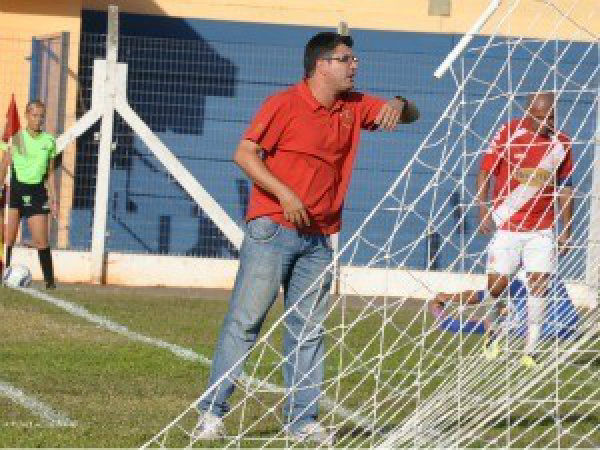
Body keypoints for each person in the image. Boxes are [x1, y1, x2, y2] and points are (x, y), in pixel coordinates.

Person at [193, 31, 419, 444]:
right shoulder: (283, 104)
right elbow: (244, 153)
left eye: (354, 59)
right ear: (322, 65)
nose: (356, 65)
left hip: (319, 240)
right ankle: (211, 412)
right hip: (272, 229)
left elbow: (411, 115)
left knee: (309, 330)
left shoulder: (354, 106)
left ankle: (302, 421)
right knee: (245, 323)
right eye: (346, 59)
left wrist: (400, 104)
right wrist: (284, 192)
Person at [475, 91, 573, 368]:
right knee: (496, 286)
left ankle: (531, 350)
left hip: (542, 228)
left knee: (539, 285)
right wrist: (483, 208)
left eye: (551, 117)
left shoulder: (562, 144)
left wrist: (566, 230)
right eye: (540, 117)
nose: (546, 123)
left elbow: (565, 188)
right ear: (528, 114)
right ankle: (492, 333)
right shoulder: (509, 132)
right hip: (508, 224)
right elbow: (485, 171)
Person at [0, 100, 58, 289]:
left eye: (41, 116)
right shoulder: (17, 139)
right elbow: (4, 164)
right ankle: (4, 274)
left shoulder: (49, 141)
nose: (38, 120)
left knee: (41, 241)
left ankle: (50, 282)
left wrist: (54, 197)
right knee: (8, 238)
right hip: (16, 192)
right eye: (34, 115)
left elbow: (49, 173)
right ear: (27, 115)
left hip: (37, 194)